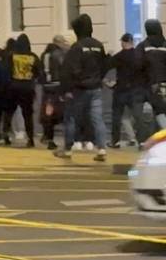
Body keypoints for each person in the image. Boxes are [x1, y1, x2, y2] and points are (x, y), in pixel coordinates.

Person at [55, 14, 108, 161]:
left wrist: (66, 89)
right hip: (96, 88)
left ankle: (67, 149)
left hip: (79, 89)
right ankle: (102, 149)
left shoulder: (76, 47)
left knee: (71, 118)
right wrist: (98, 79)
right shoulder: (99, 45)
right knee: (97, 119)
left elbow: (68, 70)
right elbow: (104, 65)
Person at [136, 19, 166, 131]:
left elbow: (137, 65)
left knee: (157, 112)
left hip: (149, 83)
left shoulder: (143, 46)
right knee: (163, 110)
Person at [3, 34, 42, 148]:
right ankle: (30, 138)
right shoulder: (33, 56)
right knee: (28, 115)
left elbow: (6, 71)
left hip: (13, 87)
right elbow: (38, 72)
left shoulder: (12, 56)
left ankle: (6, 135)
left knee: (9, 113)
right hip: (27, 88)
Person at [108, 33, 146, 147]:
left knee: (116, 116)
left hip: (121, 89)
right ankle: (142, 141)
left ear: (124, 42)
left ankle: (115, 141)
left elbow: (108, 65)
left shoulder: (119, 56)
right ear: (132, 42)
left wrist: (108, 56)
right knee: (138, 116)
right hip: (135, 90)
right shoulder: (139, 56)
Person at [39, 35, 69, 150]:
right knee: (61, 112)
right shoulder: (60, 54)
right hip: (57, 86)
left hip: (46, 86)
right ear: (58, 43)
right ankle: (56, 139)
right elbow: (64, 70)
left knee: (48, 112)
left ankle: (48, 136)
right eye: (63, 42)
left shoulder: (45, 54)